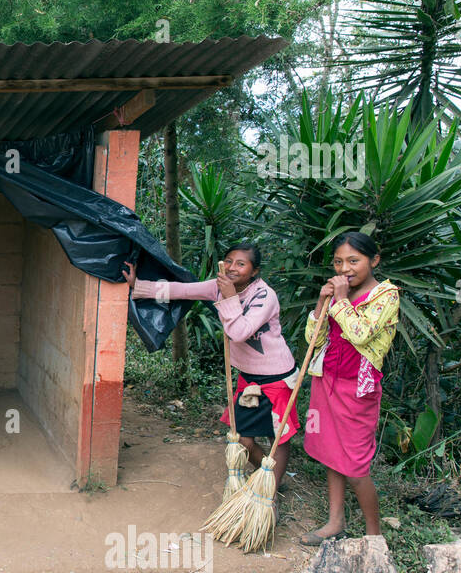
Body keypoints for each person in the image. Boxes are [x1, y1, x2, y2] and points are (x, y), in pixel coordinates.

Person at [123, 244, 299, 481]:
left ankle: (272, 489)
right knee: (243, 439)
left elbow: (239, 332)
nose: (232, 268)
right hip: (249, 378)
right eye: (229, 261)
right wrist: (139, 286)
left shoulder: (264, 296)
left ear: (254, 271)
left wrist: (228, 297)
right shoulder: (219, 287)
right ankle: (265, 476)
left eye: (241, 263)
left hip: (277, 376)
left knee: (278, 436)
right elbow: (182, 290)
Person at [300, 231, 399, 545]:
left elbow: (360, 334)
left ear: (374, 260)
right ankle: (335, 521)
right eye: (339, 261)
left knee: (355, 464)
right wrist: (321, 301)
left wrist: (340, 300)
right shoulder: (336, 295)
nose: (345, 268)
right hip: (326, 380)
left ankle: (374, 537)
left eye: (354, 261)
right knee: (331, 453)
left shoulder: (386, 295)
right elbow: (311, 339)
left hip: (358, 389)